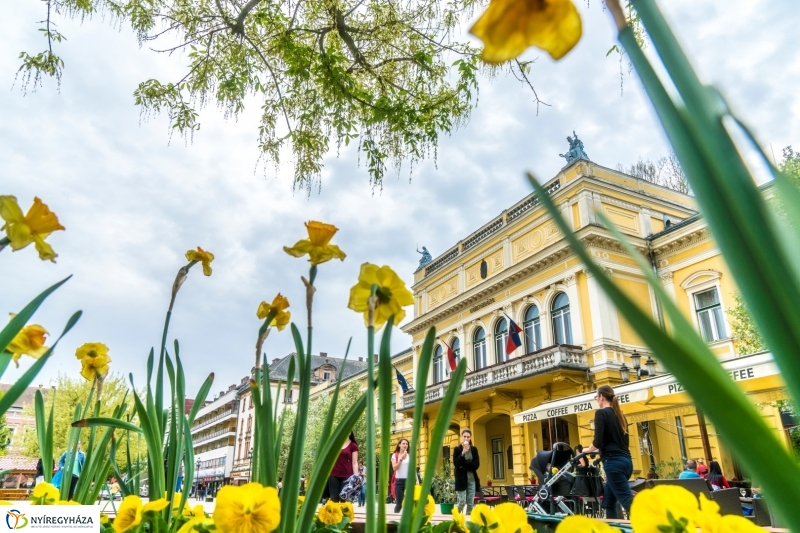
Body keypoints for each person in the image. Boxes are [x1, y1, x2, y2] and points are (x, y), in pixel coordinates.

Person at [584, 385, 633, 520]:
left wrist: (587, 450)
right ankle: (613, 528)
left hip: (613, 464)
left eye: (596, 397)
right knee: (609, 503)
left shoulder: (601, 413)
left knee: (629, 504)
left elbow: (597, 441)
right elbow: (622, 443)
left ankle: (650, 527)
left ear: (601, 397)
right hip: (626, 463)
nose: (596, 399)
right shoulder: (621, 416)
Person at [453, 428, 480, 515]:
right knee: (462, 501)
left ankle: (468, 520)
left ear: (470, 437)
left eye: (468, 437)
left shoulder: (474, 449)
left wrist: (463, 466)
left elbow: (476, 465)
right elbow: (456, 464)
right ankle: (455, 516)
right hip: (461, 479)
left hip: (472, 479)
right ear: (461, 437)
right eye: (464, 436)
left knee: (470, 503)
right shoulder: (457, 449)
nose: (466, 438)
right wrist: (463, 453)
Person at [328, 432, 359, 503]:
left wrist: (356, 476)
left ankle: (344, 510)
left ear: (350, 433)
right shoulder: (335, 444)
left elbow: (354, 463)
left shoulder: (353, 445)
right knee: (334, 499)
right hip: (334, 475)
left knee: (344, 499)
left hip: (347, 476)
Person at [390, 438, 411, 512]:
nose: (405, 445)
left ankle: (408, 518)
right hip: (399, 482)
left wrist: (417, 480)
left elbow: (412, 469)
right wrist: (401, 459)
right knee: (399, 504)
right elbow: (395, 468)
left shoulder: (409, 455)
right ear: (399, 445)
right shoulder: (395, 455)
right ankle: (395, 517)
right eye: (403, 443)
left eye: (406, 444)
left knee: (409, 503)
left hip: (409, 481)